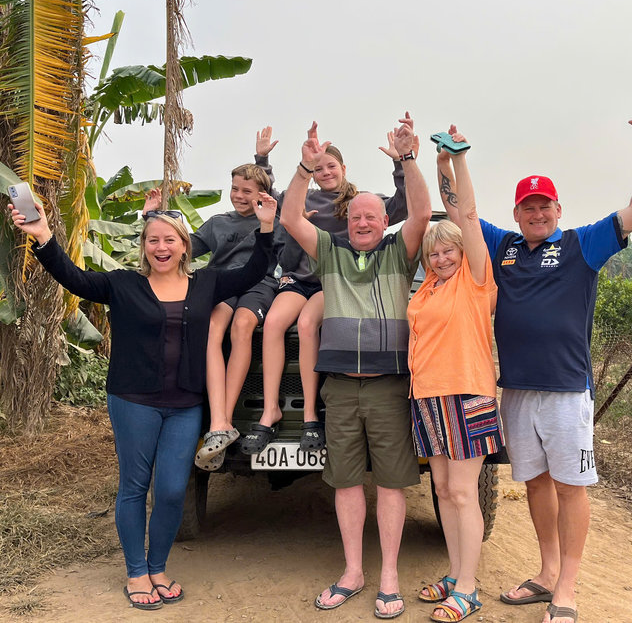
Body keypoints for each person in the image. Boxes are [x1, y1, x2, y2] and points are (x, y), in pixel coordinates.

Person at [437, 102, 632, 623]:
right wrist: (449, 164)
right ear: (517, 213)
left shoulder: (582, 245)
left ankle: (566, 588)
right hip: (516, 388)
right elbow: (461, 213)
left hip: (566, 391)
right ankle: (544, 573)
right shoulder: (505, 247)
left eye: (545, 207)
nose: (537, 214)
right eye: (528, 207)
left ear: (558, 210)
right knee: (536, 484)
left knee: (571, 486)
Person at [9, 194, 277, 611]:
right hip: (134, 400)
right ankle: (137, 572)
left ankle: (158, 566)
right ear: (144, 247)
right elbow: (75, 278)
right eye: (152, 240)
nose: (161, 248)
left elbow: (254, 271)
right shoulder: (123, 284)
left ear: (184, 245)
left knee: (171, 490)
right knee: (135, 486)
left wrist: (266, 227)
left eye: (169, 240)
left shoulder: (206, 283)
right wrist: (43, 236)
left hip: (185, 404)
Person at [279, 116, 431, 620]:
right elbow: (291, 218)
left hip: (390, 388)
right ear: (346, 223)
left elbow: (423, 211)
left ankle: (388, 574)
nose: (364, 223)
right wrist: (303, 166)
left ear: (382, 221)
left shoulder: (399, 253)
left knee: (390, 485)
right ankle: (352, 571)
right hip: (340, 390)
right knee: (345, 483)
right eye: (357, 217)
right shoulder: (329, 254)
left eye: (372, 216)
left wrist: (408, 159)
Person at [241, 126, 410, 454]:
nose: (325, 172)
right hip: (298, 279)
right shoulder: (302, 197)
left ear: (344, 169)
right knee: (274, 323)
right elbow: (271, 198)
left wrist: (400, 165)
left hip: (331, 281)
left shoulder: (358, 204)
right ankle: (270, 409)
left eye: (331, 166)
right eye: (319, 168)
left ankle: (308, 416)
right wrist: (262, 159)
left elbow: (401, 206)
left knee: (306, 324)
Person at [407, 127, 502, 623]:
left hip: (468, 395)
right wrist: (437, 169)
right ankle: (454, 571)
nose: (442, 257)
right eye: (433, 253)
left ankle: (468, 587)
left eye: (448, 250)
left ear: (462, 253)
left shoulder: (475, 282)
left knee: (464, 492)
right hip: (429, 398)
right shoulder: (425, 293)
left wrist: (456, 163)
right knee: (443, 493)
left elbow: (464, 214)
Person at [143, 161, 285, 471]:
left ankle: (226, 416)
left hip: (259, 285)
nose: (238, 195)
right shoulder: (218, 222)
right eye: (235, 189)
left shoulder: (273, 221)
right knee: (210, 328)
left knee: (243, 325)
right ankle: (219, 423)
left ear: (261, 193)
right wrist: (151, 216)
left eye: (247, 191)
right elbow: (178, 244)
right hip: (221, 285)